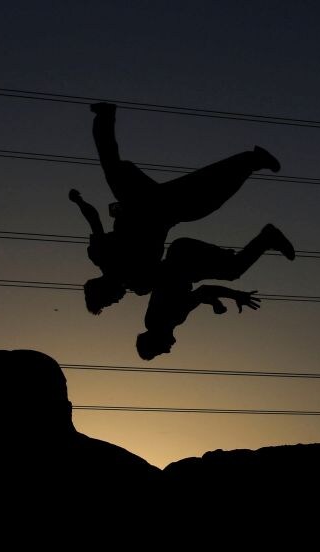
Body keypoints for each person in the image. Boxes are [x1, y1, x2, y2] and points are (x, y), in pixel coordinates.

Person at [70, 102, 281, 314]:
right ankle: (252, 160)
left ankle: (253, 160)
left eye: (108, 302)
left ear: (104, 291)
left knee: (206, 194)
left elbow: (94, 219)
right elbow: (175, 273)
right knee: (206, 196)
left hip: (147, 205)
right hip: (155, 207)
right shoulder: (125, 272)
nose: (115, 302)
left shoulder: (113, 263)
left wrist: (79, 202)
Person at [136, 224, 295, 360]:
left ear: (154, 341)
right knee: (232, 269)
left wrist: (236, 295)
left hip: (186, 256)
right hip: (183, 255)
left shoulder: (166, 320)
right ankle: (266, 240)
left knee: (233, 269)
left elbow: (201, 292)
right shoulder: (159, 321)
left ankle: (267, 238)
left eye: (160, 351)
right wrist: (215, 302)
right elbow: (190, 296)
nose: (167, 350)